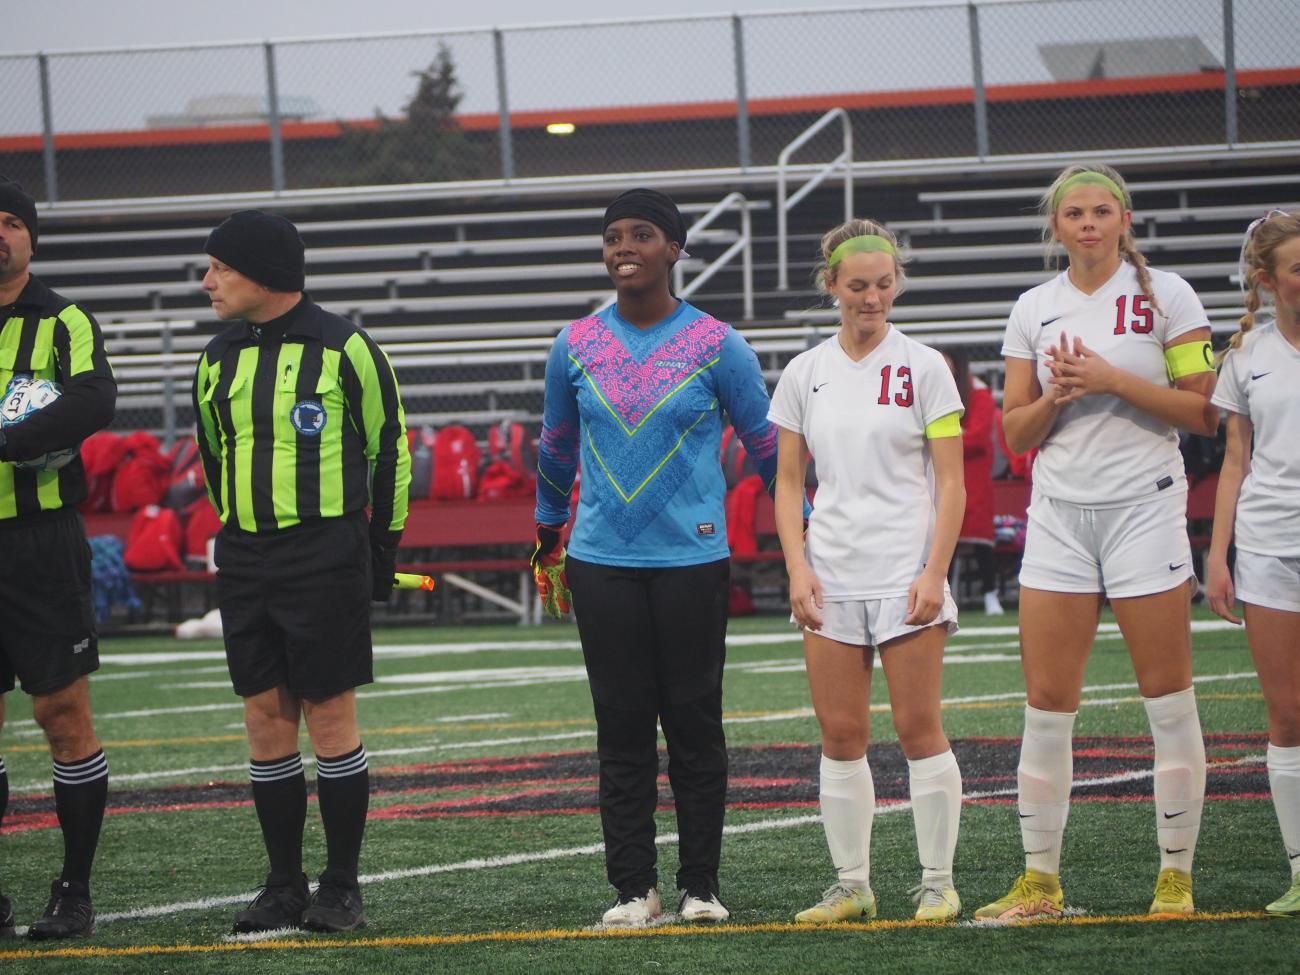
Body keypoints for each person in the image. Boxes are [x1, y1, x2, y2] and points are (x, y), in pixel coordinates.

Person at [532, 188, 787, 927]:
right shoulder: (574, 343)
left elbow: (767, 446)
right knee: (620, 726)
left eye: (642, 235)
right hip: (600, 559)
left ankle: (700, 884)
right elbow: (556, 445)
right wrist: (549, 538)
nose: (624, 248)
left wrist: (806, 530)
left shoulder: (718, 343)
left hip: (692, 559)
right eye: (613, 236)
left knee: (694, 722)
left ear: (674, 249)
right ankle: (632, 888)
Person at [976, 164, 1218, 921]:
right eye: (1073, 212)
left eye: (1100, 211)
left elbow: (1204, 412)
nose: (1087, 223)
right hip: (1059, 515)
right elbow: (1015, 433)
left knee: (1168, 699)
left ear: (1125, 219)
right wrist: (1058, 393)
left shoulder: (1168, 296)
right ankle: (1040, 881)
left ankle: (1175, 875)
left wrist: (1112, 378)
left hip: (1145, 509)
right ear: (1056, 226)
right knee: (1047, 705)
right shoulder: (1033, 307)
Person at [192, 210, 411, 933]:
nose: (208, 280)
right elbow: (214, 454)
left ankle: (341, 884)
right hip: (248, 555)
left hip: (326, 553)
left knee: (330, 714)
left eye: (219, 266)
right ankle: (283, 882)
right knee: (263, 718)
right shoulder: (217, 356)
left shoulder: (346, 347)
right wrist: (239, 536)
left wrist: (380, 551)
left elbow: (389, 451)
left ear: (264, 272)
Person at [769, 219, 967, 924]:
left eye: (885, 285)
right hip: (832, 575)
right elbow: (788, 482)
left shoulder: (925, 366)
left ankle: (938, 882)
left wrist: (933, 571)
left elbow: (953, 484)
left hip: (904, 572)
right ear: (831, 287)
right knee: (841, 733)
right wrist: (798, 566)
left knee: (919, 727)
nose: (874, 298)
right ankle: (853, 883)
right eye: (859, 286)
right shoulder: (804, 373)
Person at [0, 179, 114, 940]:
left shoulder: (64, 319)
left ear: (31, 239)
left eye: (10, 222)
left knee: (61, 711)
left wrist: (10, 440)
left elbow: (94, 400)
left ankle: (73, 888)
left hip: (40, 540)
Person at [1205, 209, 1300, 917]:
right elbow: (1235, 461)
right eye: (1297, 267)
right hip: (1268, 546)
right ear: (1267, 281)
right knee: (1288, 714)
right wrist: (1218, 554)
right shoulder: (1246, 357)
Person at [942, 349, 1004, 616]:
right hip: (941, 475)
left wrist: (942, 439)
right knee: (942, 537)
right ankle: (943, 595)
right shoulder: (928, 389)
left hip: (973, 476)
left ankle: (991, 595)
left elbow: (978, 437)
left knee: (980, 540)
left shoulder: (978, 393)